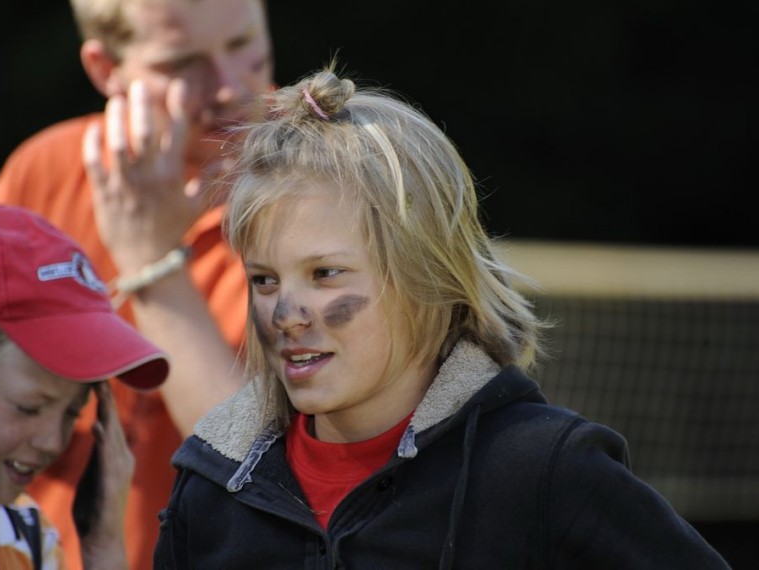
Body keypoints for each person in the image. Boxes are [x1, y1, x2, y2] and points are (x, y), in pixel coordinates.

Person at [153, 64, 732, 568]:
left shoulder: (546, 470)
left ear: (426, 275)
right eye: (264, 279)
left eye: (325, 273)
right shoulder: (211, 484)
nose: (286, 314)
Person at [0, 1, 275, 567]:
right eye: (182, 64)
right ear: (104, 68)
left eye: (243, 45)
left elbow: (259, 465)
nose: (229, 87)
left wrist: (151, 262)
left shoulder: (325, 187)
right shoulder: (45, 172)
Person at [0, 205, 170, 569]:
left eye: (73, 412)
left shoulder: (27, 537)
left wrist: (105, 546)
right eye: (28, 407)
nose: (52, 442)